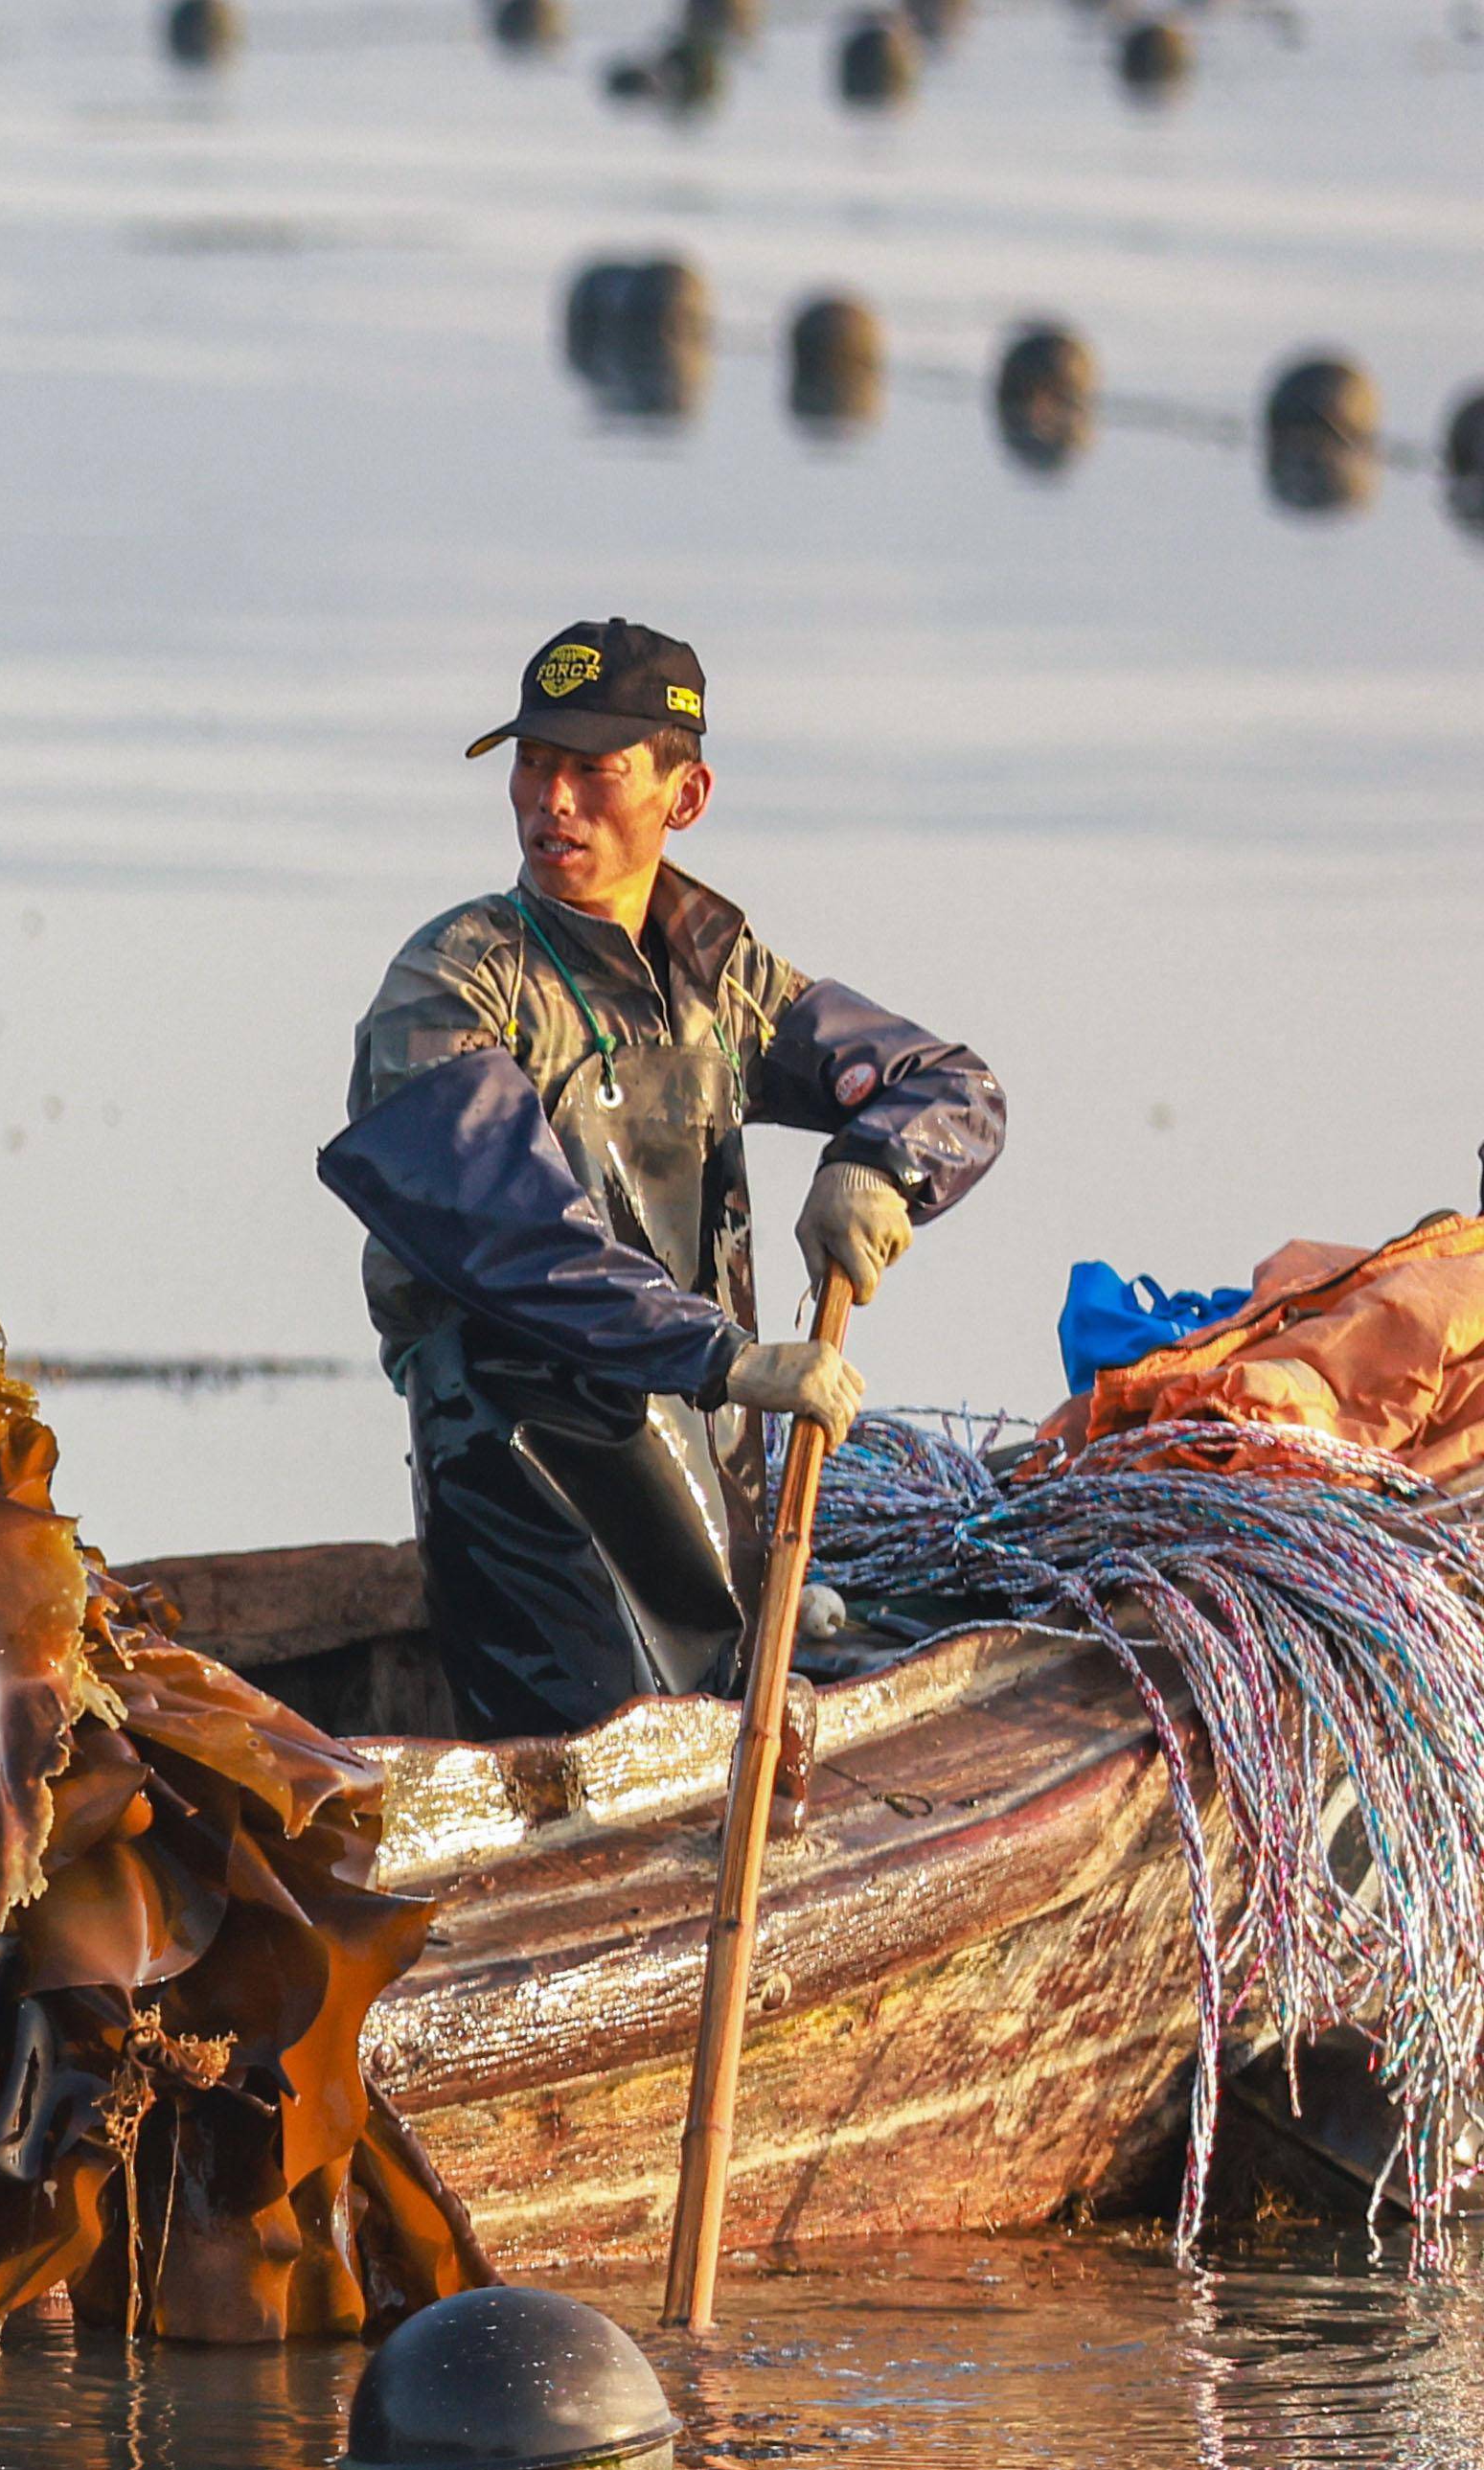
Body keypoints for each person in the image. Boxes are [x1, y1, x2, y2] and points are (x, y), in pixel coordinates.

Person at [317, 620, 1005, 1739]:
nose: (554, 802)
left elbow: (952, 1085)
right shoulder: (452, 986)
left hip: (707, 1487)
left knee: (734, 1729)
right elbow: (513, 1241)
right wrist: (729, 1356)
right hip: (522, 1499)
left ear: (684, 797)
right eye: (535, 764)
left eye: (594, 770)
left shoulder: (719, 979)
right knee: (593, 1772)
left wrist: (877, 1168)